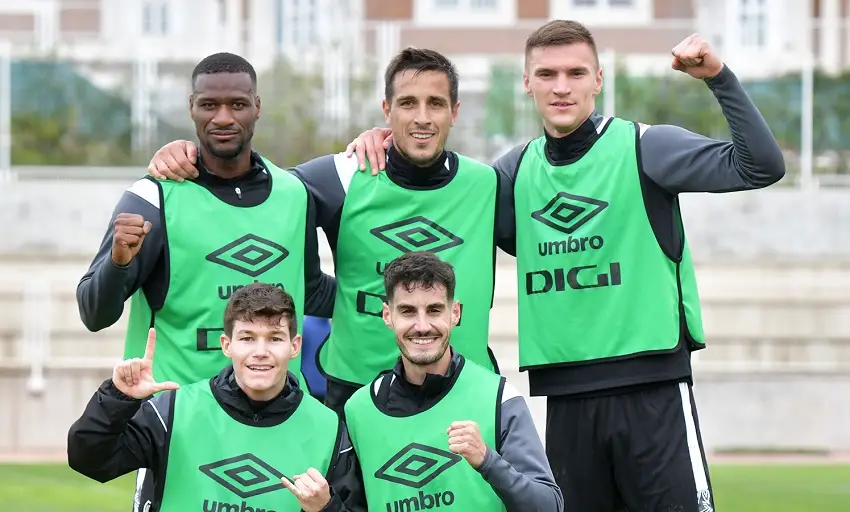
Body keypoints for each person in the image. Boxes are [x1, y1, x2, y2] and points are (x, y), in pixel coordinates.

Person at [346, 21, 786, 512]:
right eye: (547, 73)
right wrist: (385, 141)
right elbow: (434, 192)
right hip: (565, 399)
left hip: (652, 389)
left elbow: (761, 166)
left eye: (576, 73)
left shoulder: (645, 147)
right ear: (527, 82)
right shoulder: (510, 175)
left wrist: (718, 77)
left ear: (598, 80)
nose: (561, 87)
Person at [144, 47, 516, 418]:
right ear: (387, 111)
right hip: (357, 391)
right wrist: (189, 151)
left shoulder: (488, 185)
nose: (422, 117)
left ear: (455, 111)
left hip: (463, 390)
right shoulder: (342, 176)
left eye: (435, 103)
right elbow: (248, 183)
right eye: (407, 103)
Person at [76, 51, 335, 511]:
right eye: (208, 105)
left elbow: (312, 290)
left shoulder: (295, 194)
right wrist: (118, 262)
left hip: (278, 421)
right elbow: (94, 312)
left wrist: (394, 303)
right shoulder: (154, 195)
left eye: (237, 104)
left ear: (257, 106)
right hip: (178, 426)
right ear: (190, 107)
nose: (223, 117)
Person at [67, 283, 365, 512]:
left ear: (294, 346)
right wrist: (118, 398)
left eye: (274, 338)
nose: (260, 351)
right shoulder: (173, 410)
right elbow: (88, 460)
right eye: (247, 338)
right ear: (227, 345)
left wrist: (328, 508)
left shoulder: (328, 427)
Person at [343, 251, 562, 512]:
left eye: (434, 310)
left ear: (454, 313)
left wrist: (487, 461)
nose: (422, 326)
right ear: (388, 316)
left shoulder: (497, 398)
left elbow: (550, 506)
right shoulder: (359, 411)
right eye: (408, 311)